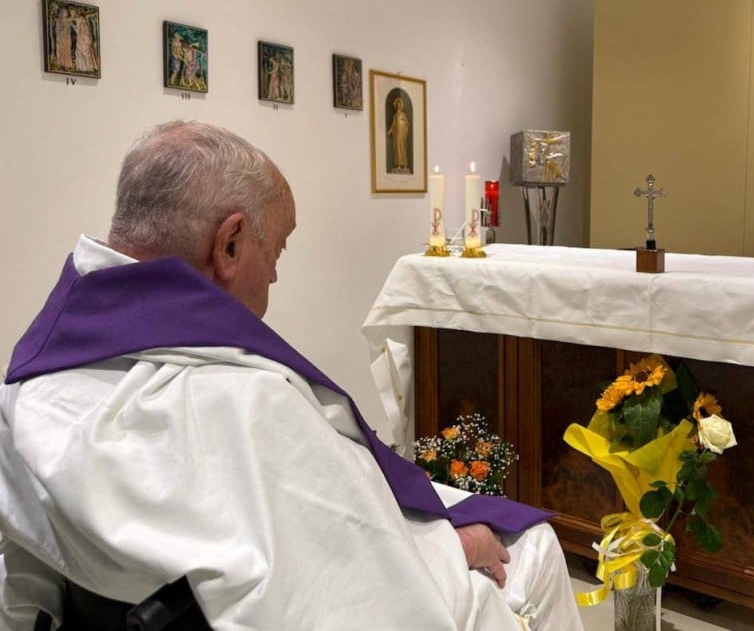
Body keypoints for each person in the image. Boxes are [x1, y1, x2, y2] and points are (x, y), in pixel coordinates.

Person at [0, 121, 583, 630]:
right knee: (533, 548)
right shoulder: (245, 401)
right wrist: (454, 547)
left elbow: (29, 569)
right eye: (276, 249)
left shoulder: (35, 377)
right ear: (228, 245)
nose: (275, 277)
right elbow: (349, 581)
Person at [388, 96, 410, 172]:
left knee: (402, 148)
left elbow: (407, 124)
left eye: (399, 104)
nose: (398, 106)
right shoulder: (395, 115)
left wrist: (404, 123)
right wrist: (390, 131)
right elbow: (393, 125)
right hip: (396, 134)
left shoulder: (403, 115)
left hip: (402, 134)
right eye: (397, 104)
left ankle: (404, 164)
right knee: (397, 148)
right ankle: (398, 164)